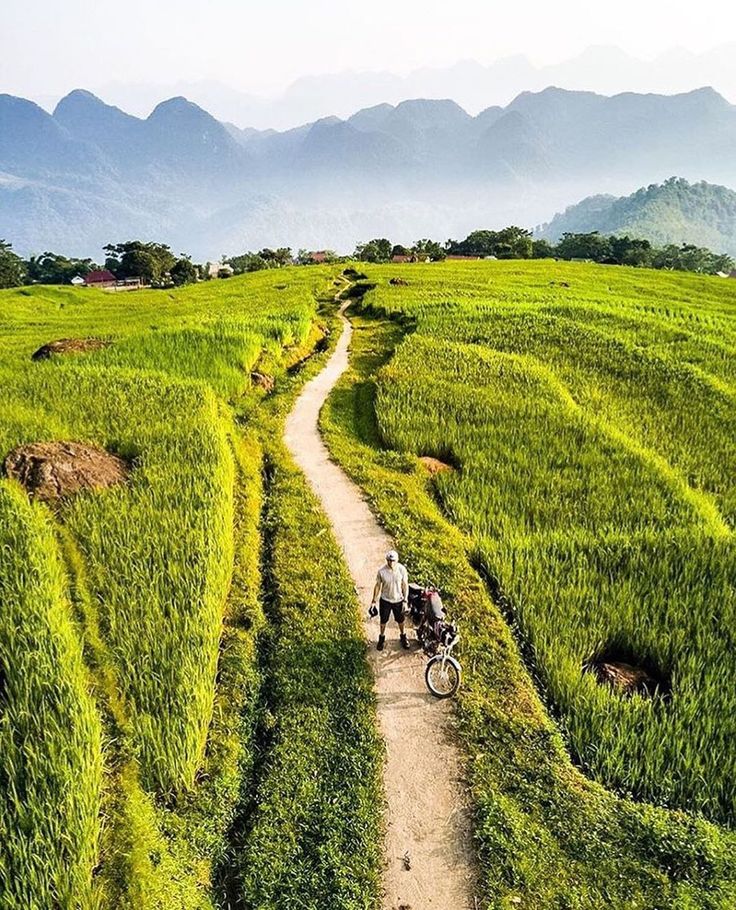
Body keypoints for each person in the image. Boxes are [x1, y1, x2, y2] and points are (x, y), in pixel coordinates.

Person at [370, 549, 409, 651]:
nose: (391, 563)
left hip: (398, 600)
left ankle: (403, 636)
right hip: (385, 600)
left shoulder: (402, 570)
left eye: (393, 561)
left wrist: (405, 600)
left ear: (397, 560)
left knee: (401, 620)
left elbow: (405, 585)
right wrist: (373, 601)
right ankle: (382, 638)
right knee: (383, 620)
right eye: (389, 560)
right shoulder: (381, 571)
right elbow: (378, 586)